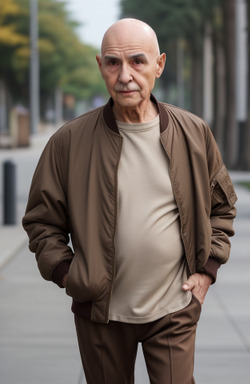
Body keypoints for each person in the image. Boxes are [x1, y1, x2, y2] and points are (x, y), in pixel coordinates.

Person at [22, 18, 237, 384]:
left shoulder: (194, 133)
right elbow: (42, 223)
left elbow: (222, 206)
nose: (125, 75)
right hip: (100, 316)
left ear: (159, 64)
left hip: (175, 310)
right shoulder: (68, 142)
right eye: (113, 62)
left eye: (137, 61)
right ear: (100, 66)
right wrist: (69, 275)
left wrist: (207, 270)